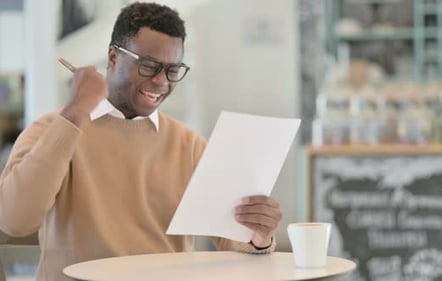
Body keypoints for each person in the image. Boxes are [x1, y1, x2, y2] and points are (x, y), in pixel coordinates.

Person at [0, 2, 282, 281]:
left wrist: (259, 235)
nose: (162, 82)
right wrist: (74, 113)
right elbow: (14, 220)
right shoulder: (51, 130)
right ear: (113, 57)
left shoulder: (189, 146)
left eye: (173, 70)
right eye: (149, 66)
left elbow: (236, 245)